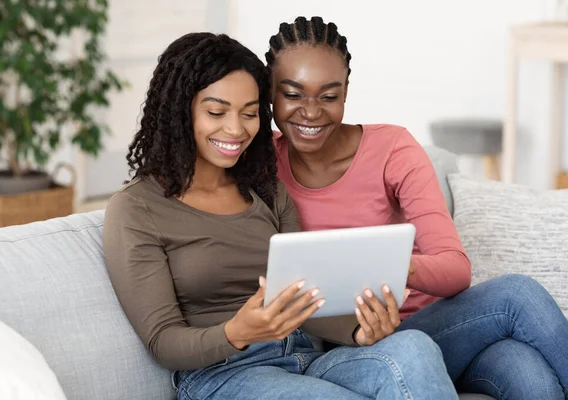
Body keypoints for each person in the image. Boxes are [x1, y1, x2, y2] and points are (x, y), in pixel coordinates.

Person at [103, 32, 460, 400]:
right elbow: (163, 342)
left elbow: (308, 305)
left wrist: (359, 332)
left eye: (250, 113)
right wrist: (237, 331)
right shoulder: (136, 209)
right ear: (180, 111)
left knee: (413, 347)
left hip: (308, 358)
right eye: (216, 111)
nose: (236, 129)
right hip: (226, 374)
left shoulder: (267, 190)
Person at [266, 16, 568, 400]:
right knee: (520, 314)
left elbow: (456, 270)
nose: (311, 112)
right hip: (352, 347)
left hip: (435, 327)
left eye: (329, 96)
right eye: (293, 94)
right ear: (270, 93)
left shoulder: (392, 148)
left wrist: (388, 264)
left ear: (345, 92)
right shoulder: (259, 164)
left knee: (529, 370)